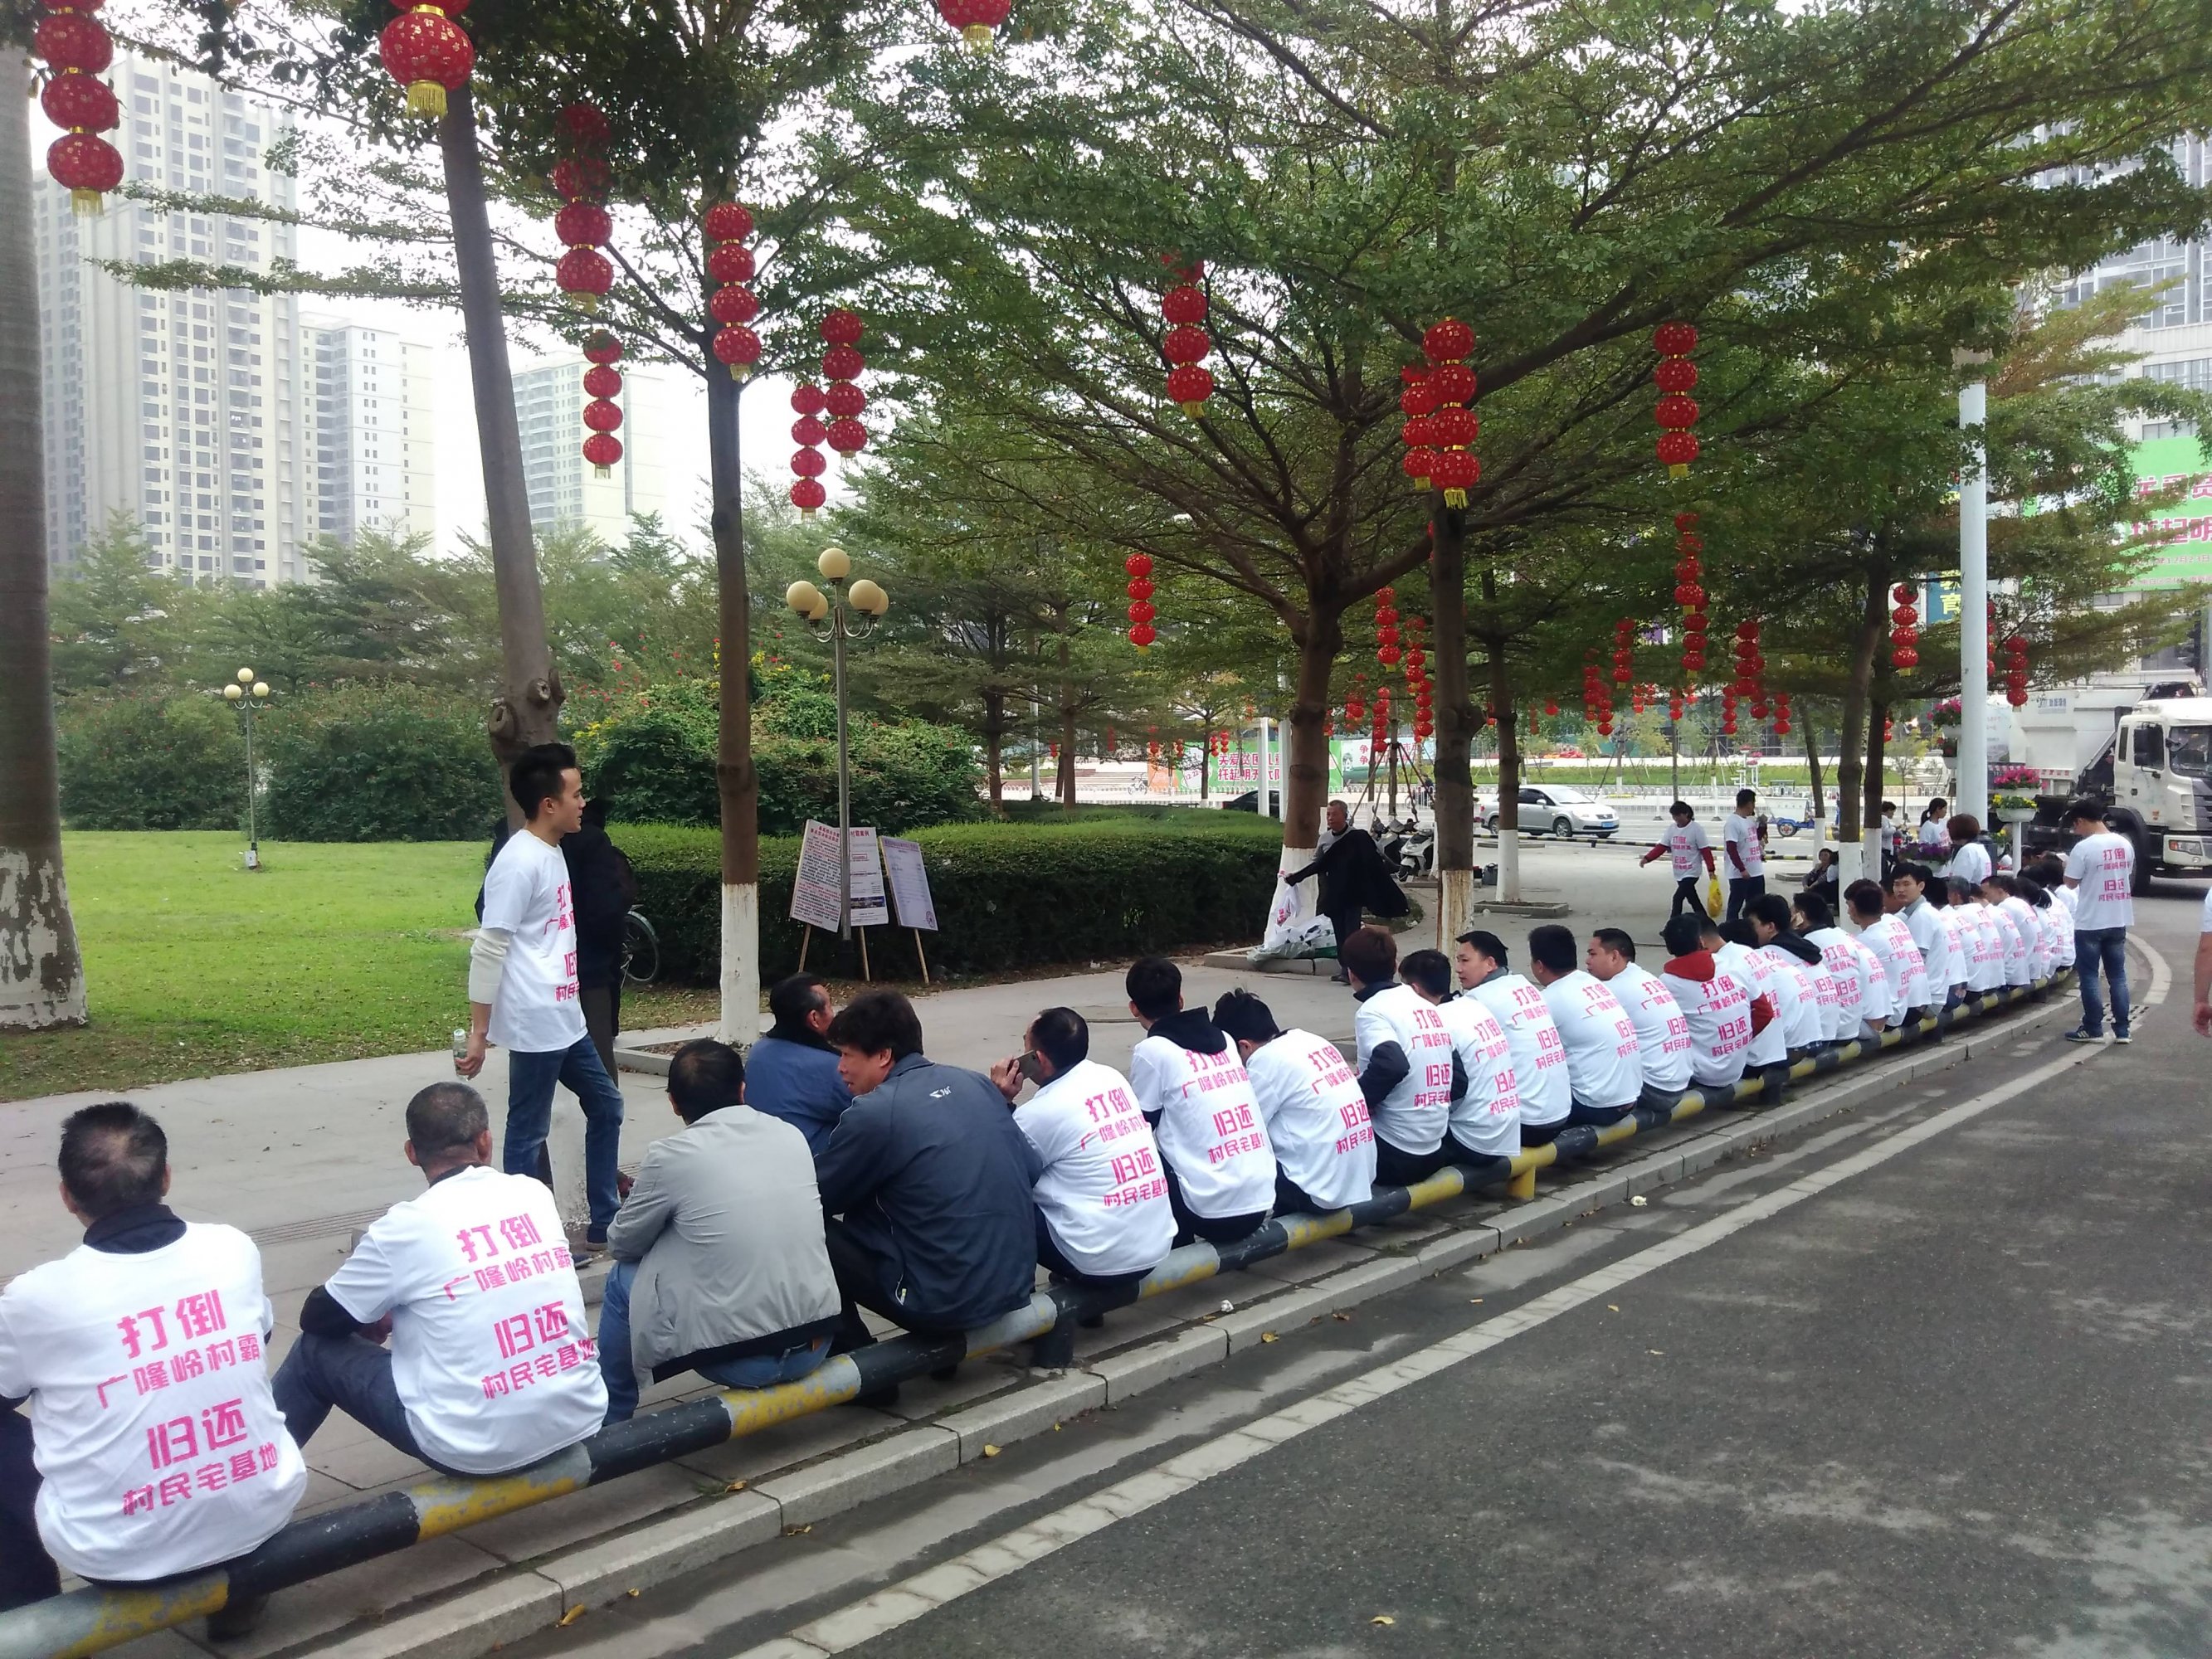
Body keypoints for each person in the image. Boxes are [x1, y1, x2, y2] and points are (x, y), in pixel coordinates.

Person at [0, 1105, 305, 1634]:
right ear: (165, 1177)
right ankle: (235, 1595)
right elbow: (258, 1338)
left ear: (67, 1196)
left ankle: (29, 1622)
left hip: (119, 1556)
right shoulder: (231, 1248)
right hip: (262, 1517)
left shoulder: (36, 1298)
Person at [273, 1083, 607, 1472]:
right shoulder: (533, 1194)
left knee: (313, 1352)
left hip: (474, 1448)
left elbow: (318, 1318)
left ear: (411, 1153)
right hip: (578, 1414)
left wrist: (376, 1309)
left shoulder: (405, 1227)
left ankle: (258, 1474)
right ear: (485, 1142)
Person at [597, 1041, 840, 1424]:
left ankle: (610, 1420)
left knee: (622, 1278)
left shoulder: (671, 1156)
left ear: (673, 1103)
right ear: (743, 1089)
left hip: (740, 1362)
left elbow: (622, 1244)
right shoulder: (790, 1134)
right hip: (816, 1344)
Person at [815, 992, 1041, 1379]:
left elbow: (818, 1197)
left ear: (883, 1055)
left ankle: (858, 1362)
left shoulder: (875, 1112)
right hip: (1014, 1287)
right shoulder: (977, 1084)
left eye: (847, 1055)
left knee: (807, 1226)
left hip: (940, 1304)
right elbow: (1031, 1169)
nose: (840, 1068)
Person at [457, 742, 627, 1248]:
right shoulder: (518, 862)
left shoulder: (552, 851)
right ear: (549, 803)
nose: (583, 803)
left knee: (607, 1106)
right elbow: (489, 947)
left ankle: (605, 1221)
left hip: (565, 1015)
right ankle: (528, 1237)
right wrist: (480, 1032)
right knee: (527, 1133)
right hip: (535, 1019)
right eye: (575, 794)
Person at [990, 1008, 1175, 1295]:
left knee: (1003, 1199)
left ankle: (1018, 1301)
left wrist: (1000, 1100)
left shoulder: (1040, 1113)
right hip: (1156, 1247)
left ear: (1038, 1059)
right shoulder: (1111, 1077)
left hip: (1099, 1262)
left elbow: (998, 1167)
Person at [1125, 958, 1277, 1243]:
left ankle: (1175, 1247)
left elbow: (1143, 1126)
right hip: (1262, 1200)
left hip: (1212, 1215)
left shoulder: (1152, 1051)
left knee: (1138, 1151)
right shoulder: (1226, 1039)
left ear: (1134, 1008)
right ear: (1181, 999)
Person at [1212, 991, 1376, 1215]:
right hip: (1359, 1180)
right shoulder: (1309, 1039)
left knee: (1237, 1149)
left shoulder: (1263, 1063)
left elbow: (1240, 1134)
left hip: (1318, 1193)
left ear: (1245, 1046)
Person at [1337, 930, 1459, 1184]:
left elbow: (1392, 1065)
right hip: (1434, 1149)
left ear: (1351, 973)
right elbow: (1459, 1079)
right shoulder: (1424, 1005)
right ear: (1394, 966)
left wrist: (1359, 1102)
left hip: (1395, 1155)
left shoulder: (1372, 1011)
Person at [1398, 953, 1523, 1166]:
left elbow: (1455, 1086)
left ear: (1415, 990)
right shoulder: (1473, 1005)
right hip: (1506, 1131)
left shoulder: (1436, 1023)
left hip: (1473, 1142)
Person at [1455, 931, 1573, 1146]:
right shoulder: (1524, 985)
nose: (1458, 969)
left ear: (1490, 963)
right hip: (1560, 1115)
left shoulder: (1479, 1000)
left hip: (1525, 1124)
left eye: (1465, 961)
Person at [1523, 925, 1643, 1127]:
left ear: (1539, 965)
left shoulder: (1548, 1000)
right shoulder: (1592, 983)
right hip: (1631, 1097)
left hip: (1596, 1106)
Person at [1283, 806, 1410, 982]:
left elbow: (1375, 860)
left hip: (1354, 895)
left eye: (1334, 814)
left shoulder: (1358, 837)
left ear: (1345, 816)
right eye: (1328, 814)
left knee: (1352, 933)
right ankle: (1345, 969)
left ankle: (1354, 970)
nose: (1330, 818)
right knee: (1339, 933)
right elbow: (1318, 863)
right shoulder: (1325, 839)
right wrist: (1296, 877)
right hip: (1334, 894)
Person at [564, 798, 637, 1084]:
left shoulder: (517, 842)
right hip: (589, 966)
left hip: (538, 976)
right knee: (599, 1072)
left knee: (534, 1076)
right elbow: (605, 909)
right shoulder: (591, 842)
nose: (581, 803)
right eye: (575, 795)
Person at [1586, 928, 1693, 1111]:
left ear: (1614, 956)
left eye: (1593, 954)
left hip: (1654, 1090)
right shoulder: (1645, 978)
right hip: (1677, 1083)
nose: (1587, 961)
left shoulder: (1613, 990)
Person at [747, 975, 853, 1158]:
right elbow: (869, 1113)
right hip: (812, 1162)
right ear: (814, 1018)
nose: (833, 1013)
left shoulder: (757, 1052)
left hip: (761, 1154)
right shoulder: (831, 1066)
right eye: (829, 1006)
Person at [1657, 915, 1761, 1095]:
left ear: (1669, 947)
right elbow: (1764, 1012)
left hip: (1701, 1072)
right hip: (1737, 1065)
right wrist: (1738, 1041)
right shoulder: (1732, 965)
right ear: (1701, 941)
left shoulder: (1668, 983)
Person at [2063, 799, 2135, 1044]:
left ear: (2081, 820)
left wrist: (2067, 866)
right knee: (2118, 976)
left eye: (2075, 826)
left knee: (2090, 977)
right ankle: (2123, 1030)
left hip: (2090, 921)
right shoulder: (2125, 844)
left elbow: (2070, 882)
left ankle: (2093, 1027)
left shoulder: (2083, 848)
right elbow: (2125, 873)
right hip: (2118, 918)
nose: (2076, 831)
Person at [1710, 920, 1794, 1095]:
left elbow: (1764, 1013)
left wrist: (1739, 1040)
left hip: (1755, 1060)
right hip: (1777, 1050)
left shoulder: (1728, 962)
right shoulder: (1750, 954)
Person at [1747, 895, 1834, 1053]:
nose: (1749, 930)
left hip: (1805, 1042)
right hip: (1825, 1033)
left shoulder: (1770, 955)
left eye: (1752, 924)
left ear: (1770, 927)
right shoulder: (1803, 946)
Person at [1846, 878, 1929, 1027]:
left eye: (1848, 905)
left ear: (1854, 907)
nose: (1847, 911)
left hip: (1893, 1014)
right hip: (1913, 1003)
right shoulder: (1893, 923)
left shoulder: (1866, 941)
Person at [1795, 893, 1873, 1043]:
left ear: (1801, 916)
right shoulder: (1842, 936)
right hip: (1854, 1025)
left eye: (1793, 912)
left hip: (1831, 1033)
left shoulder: (1804, 946)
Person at [1888, 863, 1956, 1009]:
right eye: (1897, 884)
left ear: (1921, 886)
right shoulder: (1911, 912)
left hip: (1928, 999)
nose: (1901, 889)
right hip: (1931, 993)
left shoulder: (1922, 916)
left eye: (1907, 884)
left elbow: (1917, 962)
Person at [1640, 801, 1716, 922]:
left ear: (1686, 814)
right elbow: (1662, 847)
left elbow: (1705, 851)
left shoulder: (1696, 829)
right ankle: (1705, 921)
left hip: (1692, 871)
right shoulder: (1671, 829)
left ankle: (1671, 925)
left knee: (1677, 898)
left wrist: (1711, 869)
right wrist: (1647, 858)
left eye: (1678, 815)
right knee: (1692, 898)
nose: (1676, 819)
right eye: (1674, 816)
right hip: (1679, 871)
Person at [1722, 788, 1766, 922]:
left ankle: (1753, 928)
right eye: (1753, 803)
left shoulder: (1749, 821)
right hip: (1740, 874)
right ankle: (1731, 928)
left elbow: (1755, 838)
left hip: (1756, 870)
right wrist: (1741, 869)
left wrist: (1763, 826)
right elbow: (1731, 848)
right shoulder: (1733, 823)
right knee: (1736, 904)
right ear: (1749, 804)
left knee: (1756, 906)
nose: (1754, 807)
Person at [1946, 813, 1994, 887]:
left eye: (1949, 830)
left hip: (1970, 893)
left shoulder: (1968, 850)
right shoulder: (1979, 848)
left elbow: (1958, 883)